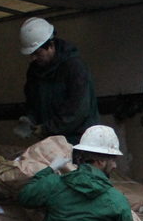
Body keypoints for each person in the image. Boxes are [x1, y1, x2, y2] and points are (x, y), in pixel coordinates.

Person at [15, 16, 100, 144]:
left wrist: (47, 128)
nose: (33, 59)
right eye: (31, 54)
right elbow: (32, 102)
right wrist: (29, 119)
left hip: (79, 142)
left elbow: (77, 111)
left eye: (37, 53)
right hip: (51, 142)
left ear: (50, 45)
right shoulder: (34, 71)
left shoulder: (75, 68)